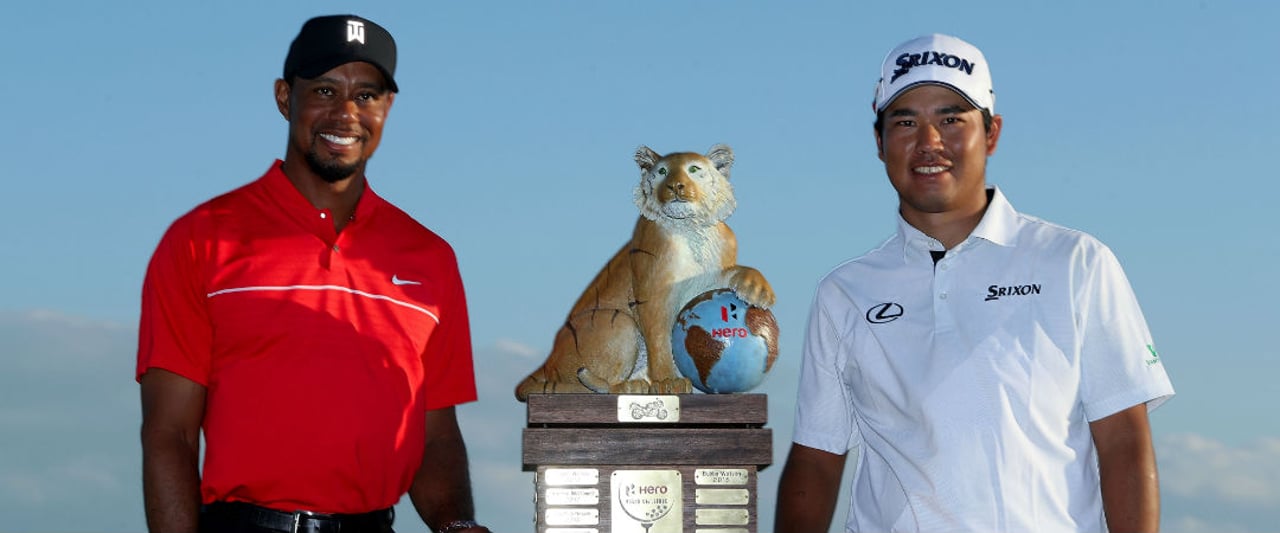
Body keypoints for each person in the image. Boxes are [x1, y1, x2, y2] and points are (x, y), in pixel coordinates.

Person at [775, 34, 1174, 533]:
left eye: (950, 119)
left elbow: (1123, 441)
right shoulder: (844, 292)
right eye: (904, 122)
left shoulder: (1076, 262)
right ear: (878, 142)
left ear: (992, 133)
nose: (929, 143)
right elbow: (816, 455)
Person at [137, 14, 490, 533]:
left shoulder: (431, 257)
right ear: (285, 97)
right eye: (325, 90)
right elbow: (170, 433)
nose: (346, 112)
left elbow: (435, 432)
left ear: (387, 108)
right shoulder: (200, 239)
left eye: (366, 95)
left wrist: (454, 524)